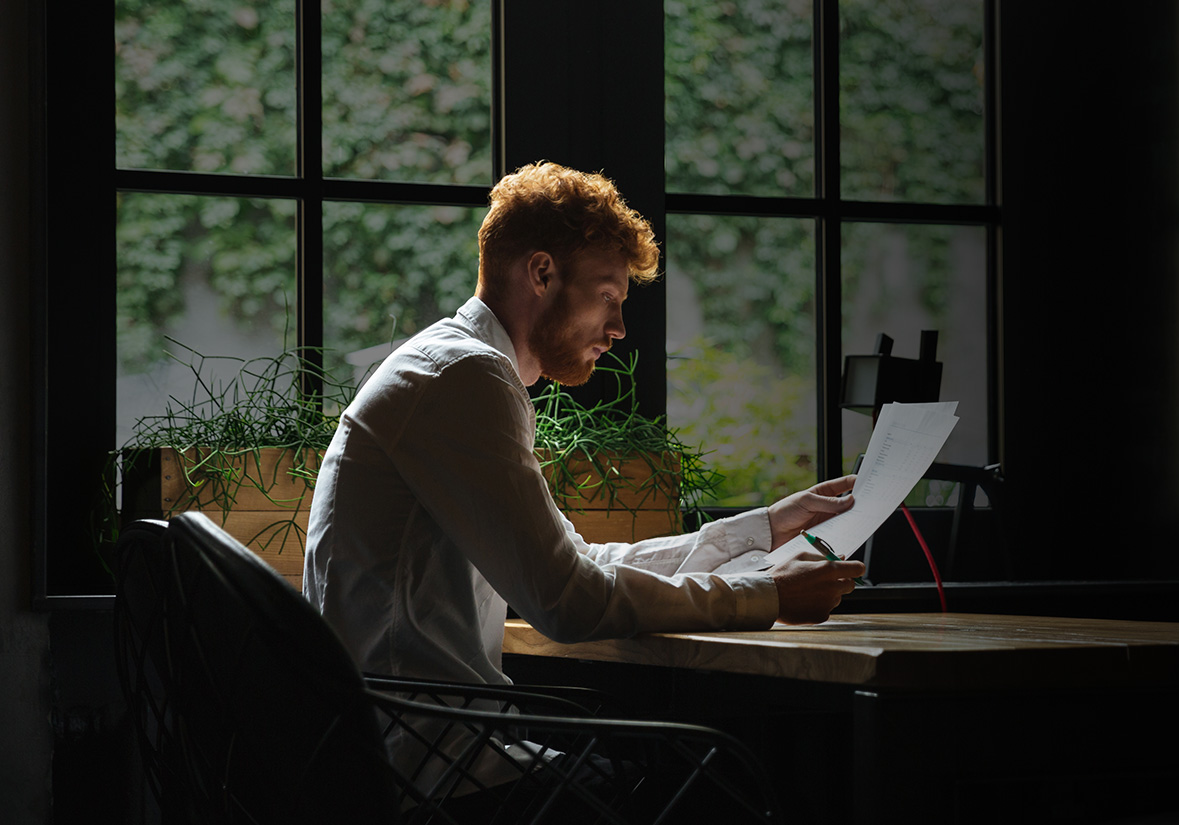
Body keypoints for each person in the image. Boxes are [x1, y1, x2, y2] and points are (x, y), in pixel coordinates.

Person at [302, 161, 865, 805]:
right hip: (433, 774)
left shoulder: (456, 368)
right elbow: (568, 601)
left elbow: (581, 563)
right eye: (608, 297)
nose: (620, 329)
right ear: (541, 273)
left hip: (417, 753)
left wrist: (761, 528)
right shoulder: (464, 377)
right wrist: (763, 596)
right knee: (727, 779)